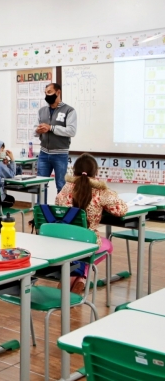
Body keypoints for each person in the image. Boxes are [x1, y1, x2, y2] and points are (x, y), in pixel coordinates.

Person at [55, 153, 128, 292]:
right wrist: (110, 192)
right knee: (108, 246)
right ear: (96, 172)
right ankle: (81, 277)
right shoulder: (100, 192)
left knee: (82, 251)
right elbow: (121, 210)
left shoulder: (65, 188)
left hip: (65, 240)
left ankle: (71, 277)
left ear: (74, 171)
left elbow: (57, 205)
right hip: (88, 242)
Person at [34, 83, 77, 193]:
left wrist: (51, 128)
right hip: (43, 154)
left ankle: (61, 209)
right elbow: (35, 130)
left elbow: (71, 131)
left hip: (60, 154)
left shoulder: (69, 110)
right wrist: (37, 131)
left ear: (58, 92)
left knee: (61, 185)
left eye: (49, 92)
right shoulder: (41, 111)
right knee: (40, 185)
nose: (47, 95)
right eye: (45, 93)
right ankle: (41, 209)